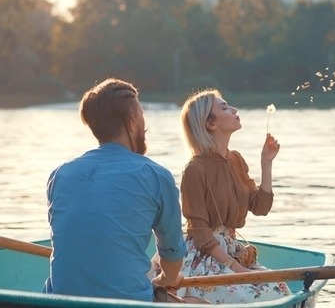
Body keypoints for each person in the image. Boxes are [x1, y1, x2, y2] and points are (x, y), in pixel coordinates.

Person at [44, 78, 187, 302]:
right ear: (131, 121)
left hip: (57, 302)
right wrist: (167, 279)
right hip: (127, 303)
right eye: (141, 114)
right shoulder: (156, 176)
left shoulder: (60, 175)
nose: (144, 124)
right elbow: (172, 257)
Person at [153, 88, 291, 304]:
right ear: (211, 124)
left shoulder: (236, 159)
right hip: (203, 255)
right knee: (243, 298)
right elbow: (199, 233)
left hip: (231, 249)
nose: (234, 109)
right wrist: (235, 268)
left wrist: (266, 162)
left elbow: (260, 207)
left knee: (280, 290)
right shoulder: (194, 170)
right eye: (224, 107)